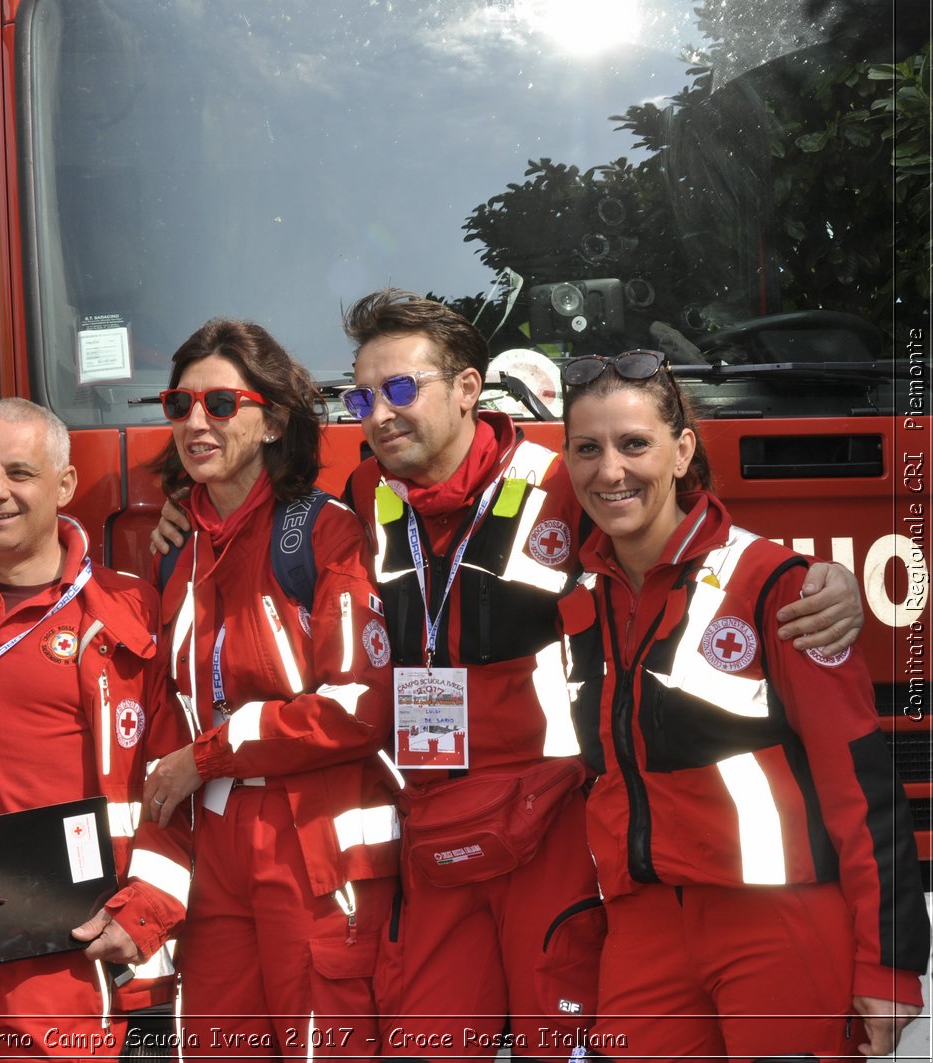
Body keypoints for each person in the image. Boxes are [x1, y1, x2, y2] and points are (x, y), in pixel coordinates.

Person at [153, 291, 863, 1060]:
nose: (380, 413)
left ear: (466, 389)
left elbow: (688, 535)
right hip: (433, 824)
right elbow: (257, 515)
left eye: (400, 389)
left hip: (549, 826)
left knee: (558, 1046)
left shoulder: (571, 478)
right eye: (362, 396)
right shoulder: (366, 495)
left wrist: (826, 579)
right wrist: (181, 514)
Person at [555, 349, 928, 1060]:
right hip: (645, 927)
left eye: (635, 443)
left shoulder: (779, 587)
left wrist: (890, 959)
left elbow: (861, 785)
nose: (610, 471)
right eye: (587, 449)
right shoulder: (578, 603)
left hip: (781, 922)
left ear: (681, 449)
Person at [0, 398, 190, 1060]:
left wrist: (146, 911)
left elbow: (175, 779)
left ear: (66, 485)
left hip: (65, 959)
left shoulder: (129, 613)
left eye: (19, 472)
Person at [140, 318, 399, 1058]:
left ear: (275, 418)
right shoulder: (174, 549)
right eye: (178, 404)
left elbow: (360, 706)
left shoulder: (324, 535)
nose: (195, 421)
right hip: (215, 855)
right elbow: (168, 722)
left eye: (220, 404)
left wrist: (213, 753)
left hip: (314, 850)